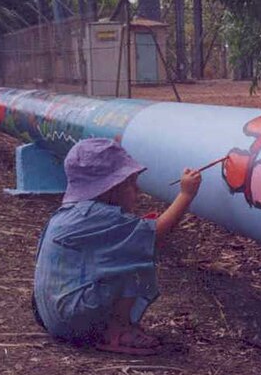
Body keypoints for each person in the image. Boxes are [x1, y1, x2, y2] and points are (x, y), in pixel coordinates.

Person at [32, 138, 202, 355]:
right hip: (72, 320)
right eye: (130, 183)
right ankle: (116, 332)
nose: (137, 190)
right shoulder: (97, 215)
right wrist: (186, 195)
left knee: (129, 247)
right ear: (109, 189)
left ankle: (108, 326)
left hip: (51, 315)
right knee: (133, 257)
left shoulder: (71, 213)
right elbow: (155, 236)